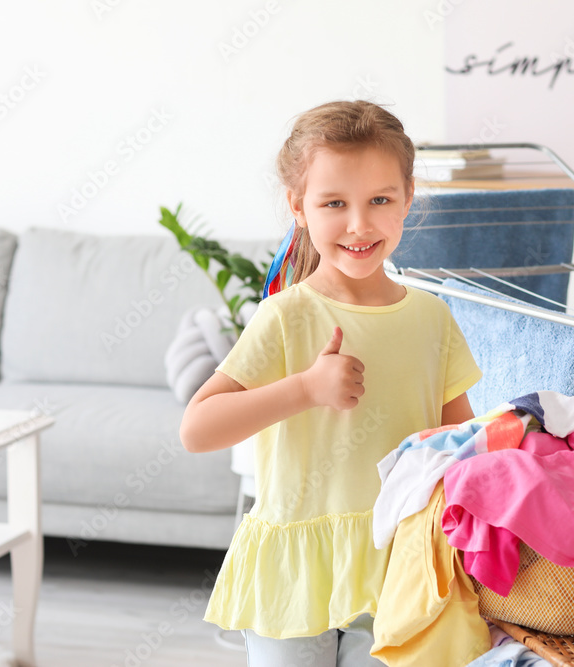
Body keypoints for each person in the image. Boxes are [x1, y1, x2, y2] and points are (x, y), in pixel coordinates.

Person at [179, 100, 482, 666]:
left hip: (399, 565)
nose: (360, 224)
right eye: (335, 203)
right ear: (299, 206)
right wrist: (304, 389)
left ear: (408, 198)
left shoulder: (432, 318)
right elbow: (197, 429)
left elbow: (460, 448)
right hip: (293, 570)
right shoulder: (285, 316)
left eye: (380, 200)